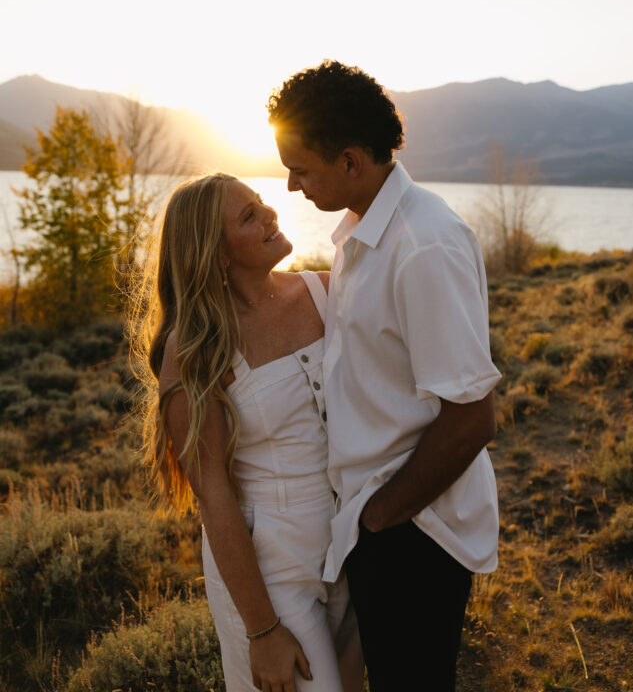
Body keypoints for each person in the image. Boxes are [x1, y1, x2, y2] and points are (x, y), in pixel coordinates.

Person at [268, 61, 502, 692]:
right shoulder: (361, 235)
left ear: (350, 161)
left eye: (301, 167)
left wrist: (381, 518)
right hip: (373, 523)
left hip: (413, 530)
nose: (290, 185)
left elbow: (473, 417)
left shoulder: (423, 245)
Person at [129, 172, 363, 692]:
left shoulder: (325, 291)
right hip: (268, 569)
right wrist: (262, 629)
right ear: (216, 253)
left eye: (261, 204)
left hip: (348, 544)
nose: (271, 215)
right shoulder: (194, 348)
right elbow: (212, 494)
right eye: (248, 216)